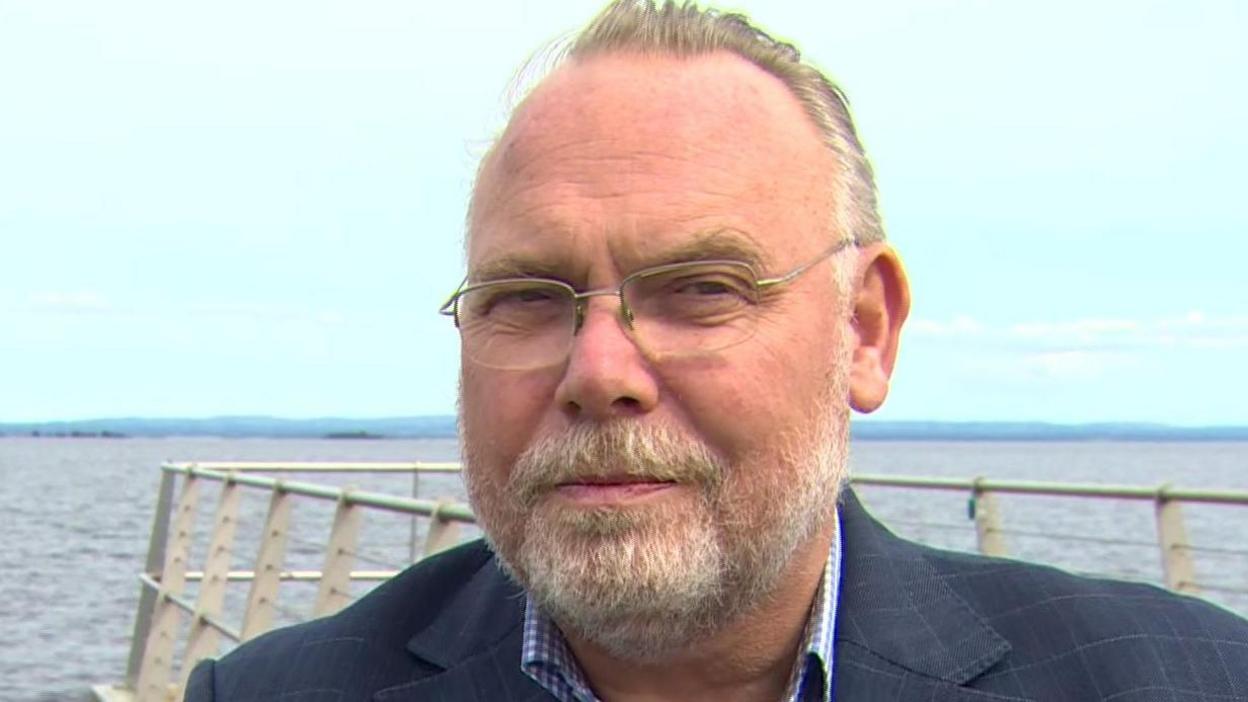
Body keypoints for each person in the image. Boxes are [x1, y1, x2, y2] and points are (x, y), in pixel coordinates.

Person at [186, 1, 1248, 700]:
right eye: (526, 299)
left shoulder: (1181, 679)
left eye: (700, 291)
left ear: (864, 332)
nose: (599, 372)